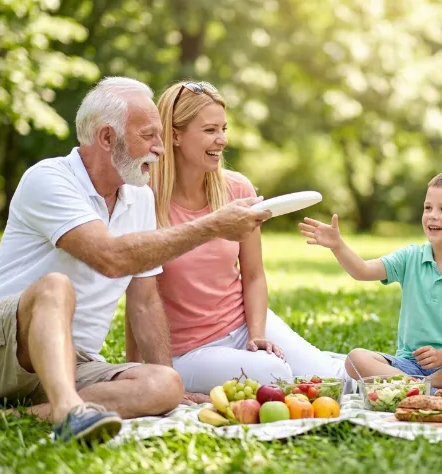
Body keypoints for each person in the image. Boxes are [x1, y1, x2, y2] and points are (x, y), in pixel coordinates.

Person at [0, 77, 271, 443]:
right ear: (106, 138)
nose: (160, 149)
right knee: (55, 285)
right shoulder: (49, 179)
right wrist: (211, 226)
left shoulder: (140, 198)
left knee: (164, 384)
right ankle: (70, 415)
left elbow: (145, 300)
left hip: (73, 362)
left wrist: (170, 391)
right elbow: (111, 258)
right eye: (149, 136)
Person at [129, 80, 348, 394]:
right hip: (188, 351)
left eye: (223, 128)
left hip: (243, 324)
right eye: (209, 130)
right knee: (275, 374)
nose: (222, 140)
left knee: (332, 384)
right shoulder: (142, 198)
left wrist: (257, 335)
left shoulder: (237, 189)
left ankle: (335, 364)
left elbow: (254, 275)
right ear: (175, 135)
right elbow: (137, 296)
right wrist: (144, 372)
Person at [301, 171, 442, 389]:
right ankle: (415, 386)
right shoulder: (410, 257)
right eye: (428, 207)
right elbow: (363, 271)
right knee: (355, 359)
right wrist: (338, 246)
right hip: (407, 364)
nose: (432, 215)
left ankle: (417, 387)